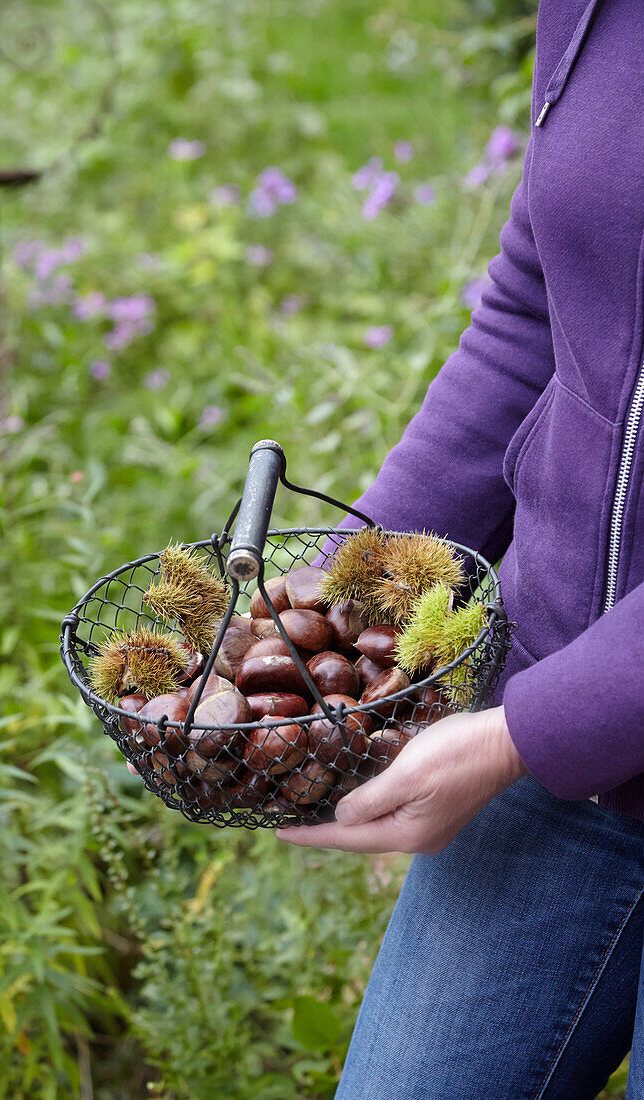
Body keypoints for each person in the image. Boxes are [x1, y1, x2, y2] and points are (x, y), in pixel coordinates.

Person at [276, 1, 644, 1097]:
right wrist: (343, 597)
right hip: (555, 716)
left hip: (544, 726)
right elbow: (539, 305)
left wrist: (524, 734)